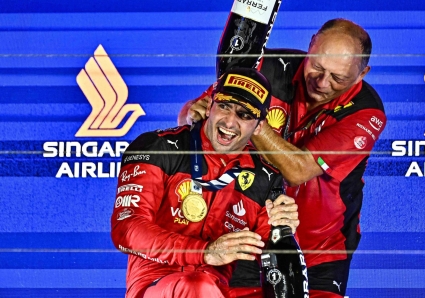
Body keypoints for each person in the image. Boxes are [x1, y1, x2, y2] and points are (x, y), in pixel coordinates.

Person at [179, 18, 386, 297]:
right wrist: (193, 113)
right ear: (311, 44)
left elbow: (297, 170)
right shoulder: (265, 67)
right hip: (244, 235)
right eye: (317, 66)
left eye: (338, 78)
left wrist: (249, 117)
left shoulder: (366, 113)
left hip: (319, 251)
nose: (322, 83)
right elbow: (197, 118)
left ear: (362, 74)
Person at [111, 67, 300, 298]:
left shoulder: (266, 178)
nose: (230, 122)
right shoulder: (156, 147)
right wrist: (205, 252)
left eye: (245, 115)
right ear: (210, 105)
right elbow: (127, 229)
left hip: (218, 290)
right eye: (224, 106)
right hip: (154, 285)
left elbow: (278, 266)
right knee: (197, 286)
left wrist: (284, 230)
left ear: (259, 126)